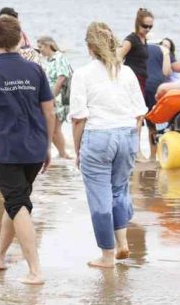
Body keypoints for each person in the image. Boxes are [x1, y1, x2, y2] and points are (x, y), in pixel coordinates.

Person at [0, 15, 54, 285]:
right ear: (20, 37)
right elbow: (49, 111)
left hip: (7, 151)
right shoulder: (36, 71)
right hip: (33, 149)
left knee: (18, 204)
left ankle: (35, 270)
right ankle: (0, 257)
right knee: (14, 202)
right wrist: (47, 145)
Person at [69, 22, 147, 268]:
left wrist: (78, 150)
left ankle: (106, 256)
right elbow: (139, 113)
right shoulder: (127, 72)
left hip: (99, 135)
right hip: (127, 134)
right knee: (119, 190)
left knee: (99, 197)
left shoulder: (82, 74)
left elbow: (79, 117)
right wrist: (131, 138)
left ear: (90, 46)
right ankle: (122, 243)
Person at [36, 36, 72, 159]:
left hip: (60, 99)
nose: (40, 50)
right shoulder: (50, 60)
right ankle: (62, 154)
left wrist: (51, 97)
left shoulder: (59, 58)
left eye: (41, 47)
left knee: (54, 129)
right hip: (52, 99)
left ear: (48, 45)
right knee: (52, 129)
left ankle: (63, 155)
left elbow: (62, 77)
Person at [142, 39, 172, 159]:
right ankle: (164, 153)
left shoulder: (139, 49)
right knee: (164, 124)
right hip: (157, 87)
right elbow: (166, 71)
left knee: (150, 125)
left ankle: (152, 155)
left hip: (142, 86)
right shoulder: (162, 50)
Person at [119, 8, 153, 91]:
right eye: (145, 26)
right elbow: (118, 57)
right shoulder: (131, 39)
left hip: (142, 78)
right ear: (138, 24)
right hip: (132, 79)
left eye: (150, 27)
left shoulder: (144, 38)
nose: (148, 29)